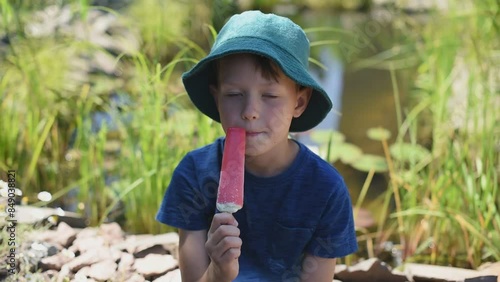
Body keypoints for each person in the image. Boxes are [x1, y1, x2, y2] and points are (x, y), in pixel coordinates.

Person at [156, 10, 358, 282]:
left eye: (270, 95)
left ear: (298, 102)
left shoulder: (326, 189)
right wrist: (219, 271)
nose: (250, 111)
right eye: (234, 94)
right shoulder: (193, 174)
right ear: (217, 99)